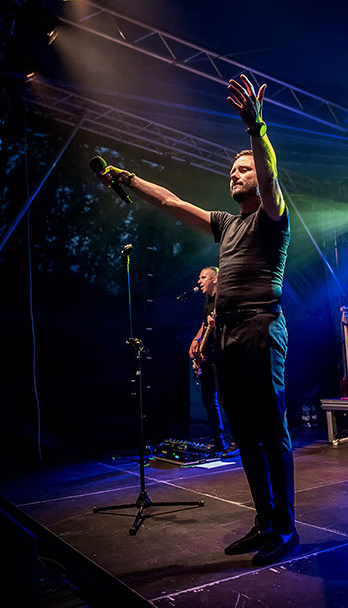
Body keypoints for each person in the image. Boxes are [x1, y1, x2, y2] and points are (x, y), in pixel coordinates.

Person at [96, 74, 299, 566]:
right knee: (243, 433)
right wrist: (128, 179)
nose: (235, 175)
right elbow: (171, 202)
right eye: (231, 170)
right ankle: (264, 521)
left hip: (260, 327)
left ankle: (286, 528)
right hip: (227, 332)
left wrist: (256, 129)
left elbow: (270, 176)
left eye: (242, 169)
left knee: (270, 431)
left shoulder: (273, 215)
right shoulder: (226, 224)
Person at [189, 266, 238, 457]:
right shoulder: (208, 301)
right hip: (208, 355)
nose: (199, 281)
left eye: (203, 277)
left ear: (215, 279)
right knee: (208, 398)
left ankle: (238, 440)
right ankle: (217, 440)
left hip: (224, 353)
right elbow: (205, 324)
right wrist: (196, 340)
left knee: (228, 398)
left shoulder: (224, 299)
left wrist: (218, 323)